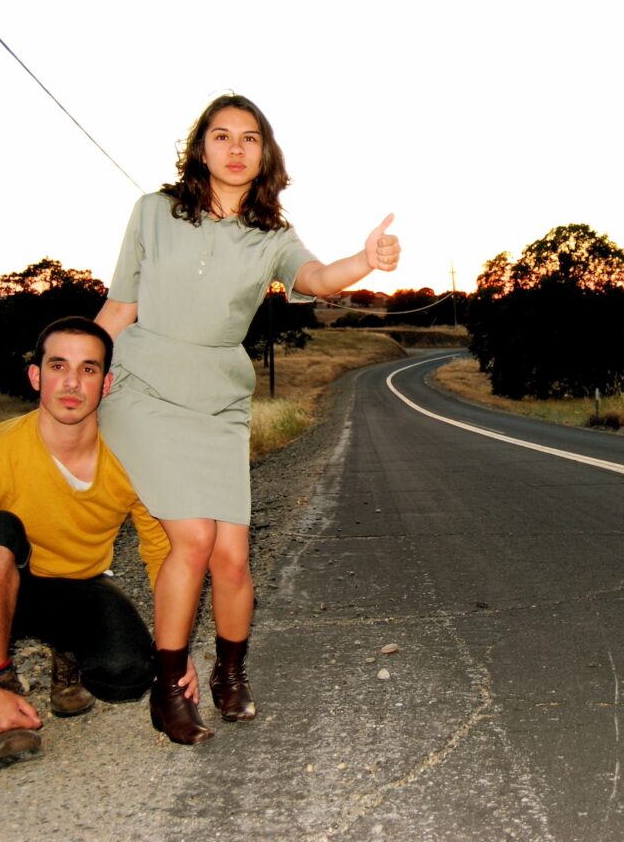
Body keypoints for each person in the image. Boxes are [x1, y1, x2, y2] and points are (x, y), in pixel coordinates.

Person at [95, 94, 401, 745]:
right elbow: (120, 306)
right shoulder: (153, 212)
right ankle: (167, 685)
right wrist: (75, 372)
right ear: (200, 147)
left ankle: (229, 674)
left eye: (250, 138)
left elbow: (317, 277)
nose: (236, 147)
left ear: (265, 154)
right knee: (195, 541)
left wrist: (366, 259)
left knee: (233, 560)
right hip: (143, 384)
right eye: (222, 135)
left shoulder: (271, 237)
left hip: (219, 397)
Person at [0, 316, 191, 767]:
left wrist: (175, 657)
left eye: (89, 369)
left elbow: (161, 553)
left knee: (128, 677)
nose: (72, 383)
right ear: (36, 376)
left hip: (76, 586)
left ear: (107, 383)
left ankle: (68, 651)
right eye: (58, 367)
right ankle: (2, 694)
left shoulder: (132, 455)